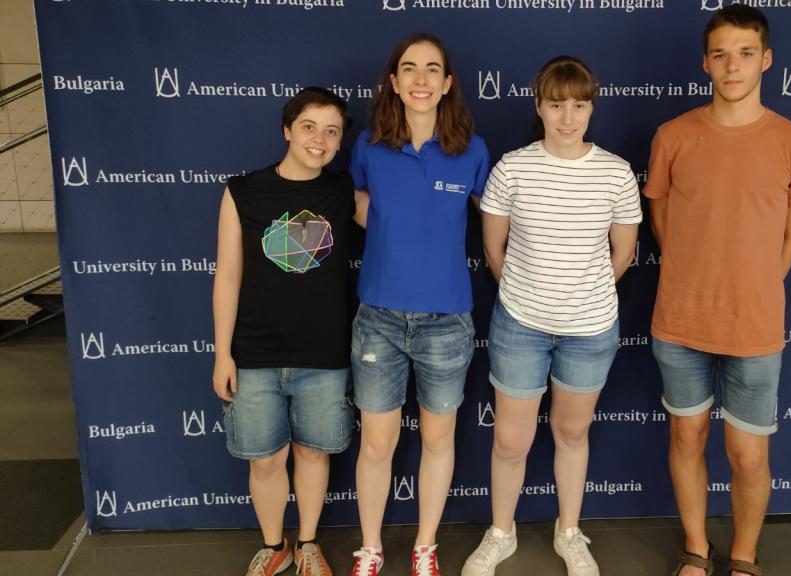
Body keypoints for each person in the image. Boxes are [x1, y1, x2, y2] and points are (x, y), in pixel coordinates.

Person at [643, 6, 791, 576]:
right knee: (687, 436)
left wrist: (756, 283)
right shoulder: (672, 136)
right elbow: (662, 217)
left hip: (755, 325)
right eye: (720, 53)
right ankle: (697, 550)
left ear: (766, 60)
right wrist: (693, 271)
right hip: (681, 319)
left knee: (748, 453)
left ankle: (744, 558)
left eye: (745, 53)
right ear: (705, 63)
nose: (733, 65)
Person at [462, 56, 641, 576]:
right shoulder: (512, 168)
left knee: (572, 434)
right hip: (520, 325)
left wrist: (577, 297)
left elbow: (623, 255)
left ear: (591, 107)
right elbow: (494, 249)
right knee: (510, 440)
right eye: (557, 104)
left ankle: (569, 533)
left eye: (580, 105)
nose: (568, 117)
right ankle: (501, 532)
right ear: (538, 105)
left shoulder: (615, 172)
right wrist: (532, 295)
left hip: (590, 331)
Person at [347, 33, 490, 576]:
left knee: (437, 439)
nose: (422, 79)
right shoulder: (368, 146)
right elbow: (359, 203)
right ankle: (371, 548)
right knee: (377, 445)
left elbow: (493, 218)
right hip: (379, 319)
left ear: (448, 83)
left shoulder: (471, 150)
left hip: (447, 322)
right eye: (410, 69)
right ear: (394, 82)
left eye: (433, 70)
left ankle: (425, 546)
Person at [212, 87, 356, 576]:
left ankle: (308, 544)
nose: (320, 139)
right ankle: (275, 546)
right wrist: (222, 355)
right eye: (310, 126)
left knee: (313, 453)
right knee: (265, 460)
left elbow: (405, 215)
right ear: (287, 129)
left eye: (332, 131)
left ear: (340, 142)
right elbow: (228, 276)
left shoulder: (341, 192)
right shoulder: (243, 191)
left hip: (324, 355)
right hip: (254, 354)